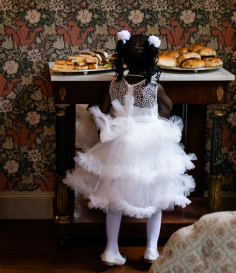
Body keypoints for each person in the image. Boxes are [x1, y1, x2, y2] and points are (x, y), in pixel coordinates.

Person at [64, 32, 195, 266]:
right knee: (155, 197)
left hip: (120, 143)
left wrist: (109, 126)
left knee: (114, 197)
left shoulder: (115, 84)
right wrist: (154, 114)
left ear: (123, 57)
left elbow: (101, 111)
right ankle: (151, 251)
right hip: (150, 144)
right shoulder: (154, 85)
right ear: (152, 58)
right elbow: (169, 107)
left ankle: (111, 250)